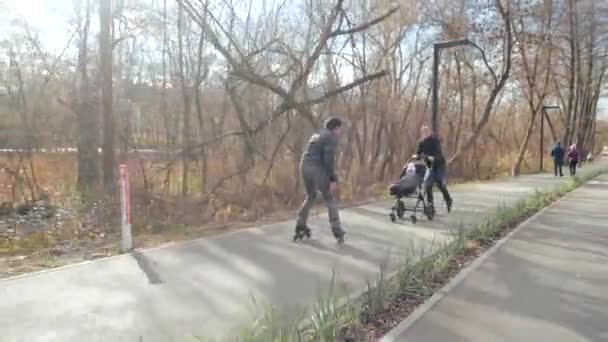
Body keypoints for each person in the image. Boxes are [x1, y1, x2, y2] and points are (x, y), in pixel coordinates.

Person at [294, 117, 345, 244]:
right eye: (340, 129)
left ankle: (300, 224)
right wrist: (332, 179)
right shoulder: (330, 137)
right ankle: (337, 229)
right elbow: (328, 160)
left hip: (304, 166)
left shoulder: (317, 135)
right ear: (336, 128)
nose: (340, 132)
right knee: (329, 198)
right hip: (317, 169)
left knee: (311, 195)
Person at [416, 125, 453, 213]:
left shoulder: (435, 141)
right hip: (429, 165)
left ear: (429, 132)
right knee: (428, 185)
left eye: (426, 131)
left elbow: (439, 153)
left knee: (440, 182)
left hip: (439, 164)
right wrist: (418, 157)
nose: (424, 133)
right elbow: (418, 154)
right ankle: (430, 205)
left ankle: (448, 199)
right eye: (423, 132)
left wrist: (432, 158)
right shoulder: (421, 143)